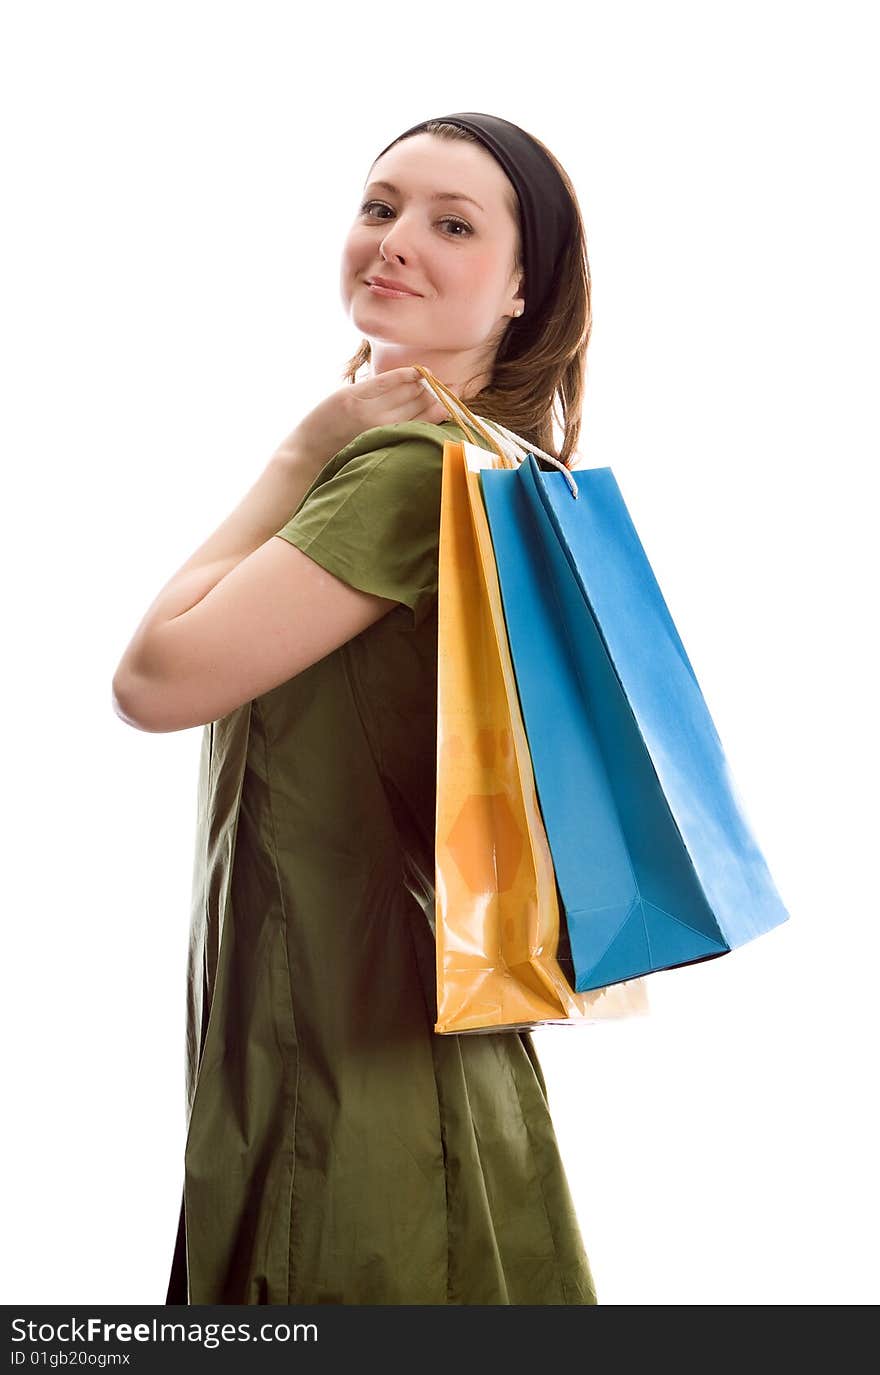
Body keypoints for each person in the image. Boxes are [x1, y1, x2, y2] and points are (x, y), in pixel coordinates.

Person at [112, 111, 606, 1305]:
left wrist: (297, 454)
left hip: (341, 1009)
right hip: (423, 994)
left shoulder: (398, 475)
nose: (393, 242)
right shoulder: (488, 457)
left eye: (450, 225)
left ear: (521, 291)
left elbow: (155, 680)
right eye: (380, 206)